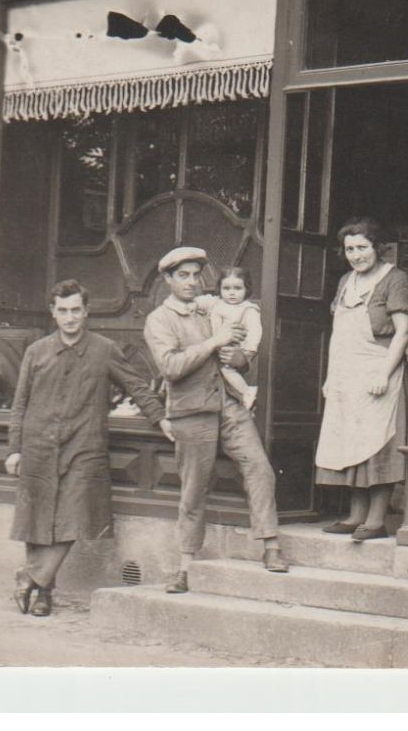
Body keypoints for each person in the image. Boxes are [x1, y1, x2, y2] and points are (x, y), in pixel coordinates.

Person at [5, 280, 173, 617]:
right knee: (39, 522)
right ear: (53, 313)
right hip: (38, 447)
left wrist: (161, 419)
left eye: (76, 311)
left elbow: (137, 386)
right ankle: (42, 594)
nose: (70, 318)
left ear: (86, 311)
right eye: (63, 311)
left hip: (84, 447)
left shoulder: (105, 349)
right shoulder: (36, 351)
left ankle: (30, 576)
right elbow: (19, 404)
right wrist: (14, 448)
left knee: (74, 518)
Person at [145, 247, 288, 590]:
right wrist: (213, 343)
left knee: (260, 468)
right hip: (191, 411)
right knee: (194, 490)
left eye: (196, 275)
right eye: (184, 275)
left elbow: (240, 360)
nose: (192, 282)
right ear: (167, 280)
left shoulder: (212, 310)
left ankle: (271, 546)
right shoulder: (159, 320)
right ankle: (185, 567)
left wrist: (237, 356)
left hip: (229, 406)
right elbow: (171, 367)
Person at [314, 218, 408, 542]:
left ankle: (376, 519)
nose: (356, 255)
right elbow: (338, 334)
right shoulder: (346, 280)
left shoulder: (395, 279)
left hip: (377, 367)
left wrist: (384, 372)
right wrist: (332, 377)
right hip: (347, 372)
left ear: (377, 247)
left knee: (377, 443)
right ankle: (355, 515)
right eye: (349, 249)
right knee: (350, 441)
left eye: (362, 248)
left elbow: (403, 331)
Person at [195, 266, 261, 411]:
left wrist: (248, 351)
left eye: (237, 288)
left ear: (246, 289)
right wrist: (190, 305)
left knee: (226, 370)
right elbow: (197, 302)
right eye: (226, 288)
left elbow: (255, 331)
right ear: (220, 289)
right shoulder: (216, 302)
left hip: (232, 348)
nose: (232, 293)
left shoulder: (247, 309)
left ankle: (247, 392)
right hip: (215, 346)